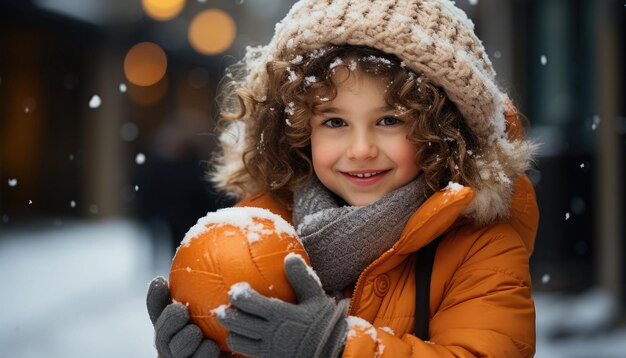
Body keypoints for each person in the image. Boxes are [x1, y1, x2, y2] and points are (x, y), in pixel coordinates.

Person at [146, 0, 540, 357]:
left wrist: (335, 347)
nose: (361, 149)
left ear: (442, 130)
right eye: (335, 121)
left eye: (389, 120)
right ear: (299, 132)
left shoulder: (480, 245)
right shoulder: (262, 233)